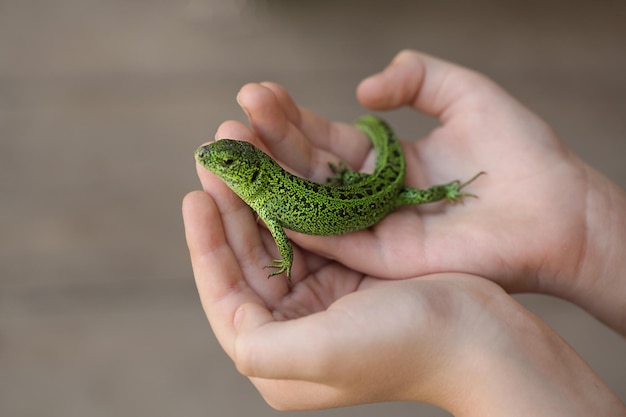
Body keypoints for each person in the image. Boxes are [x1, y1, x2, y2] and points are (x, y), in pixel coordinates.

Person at [182, 50, 626, 416]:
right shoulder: (267, 188)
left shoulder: (266, 199)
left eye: (225, 164)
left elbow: (282, 239)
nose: (214, 162)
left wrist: (284, 263)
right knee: (389, 191)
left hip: (383, 195)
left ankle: (445, 189)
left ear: (248, 169)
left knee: (405, 195)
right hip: (373, 193)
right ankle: (427, 183)